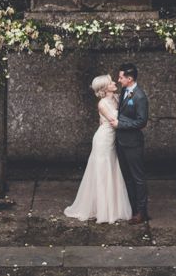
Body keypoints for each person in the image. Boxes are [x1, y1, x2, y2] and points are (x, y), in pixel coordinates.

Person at [64, 75, 133, 224]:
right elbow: (115, 121)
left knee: (112, 170)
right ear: (104, 88)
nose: (114, 82)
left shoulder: (116, 97)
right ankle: (103, 210)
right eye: (111, 82)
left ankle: (112, 207)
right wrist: (135, 122)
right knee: (103, 171)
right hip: (103, 140)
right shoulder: (102, 103)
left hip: (112, 140)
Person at [110, 63, 149, 224]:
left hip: (133, 143)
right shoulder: (125, 91)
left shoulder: (140, 97)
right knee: (127, 177)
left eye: (121, 77)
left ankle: (142, 212)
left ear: (129, 78)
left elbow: (142, 122)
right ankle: (132, 208)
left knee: (137, 178)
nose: (118, 80)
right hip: (121, 142)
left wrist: (121, 125)